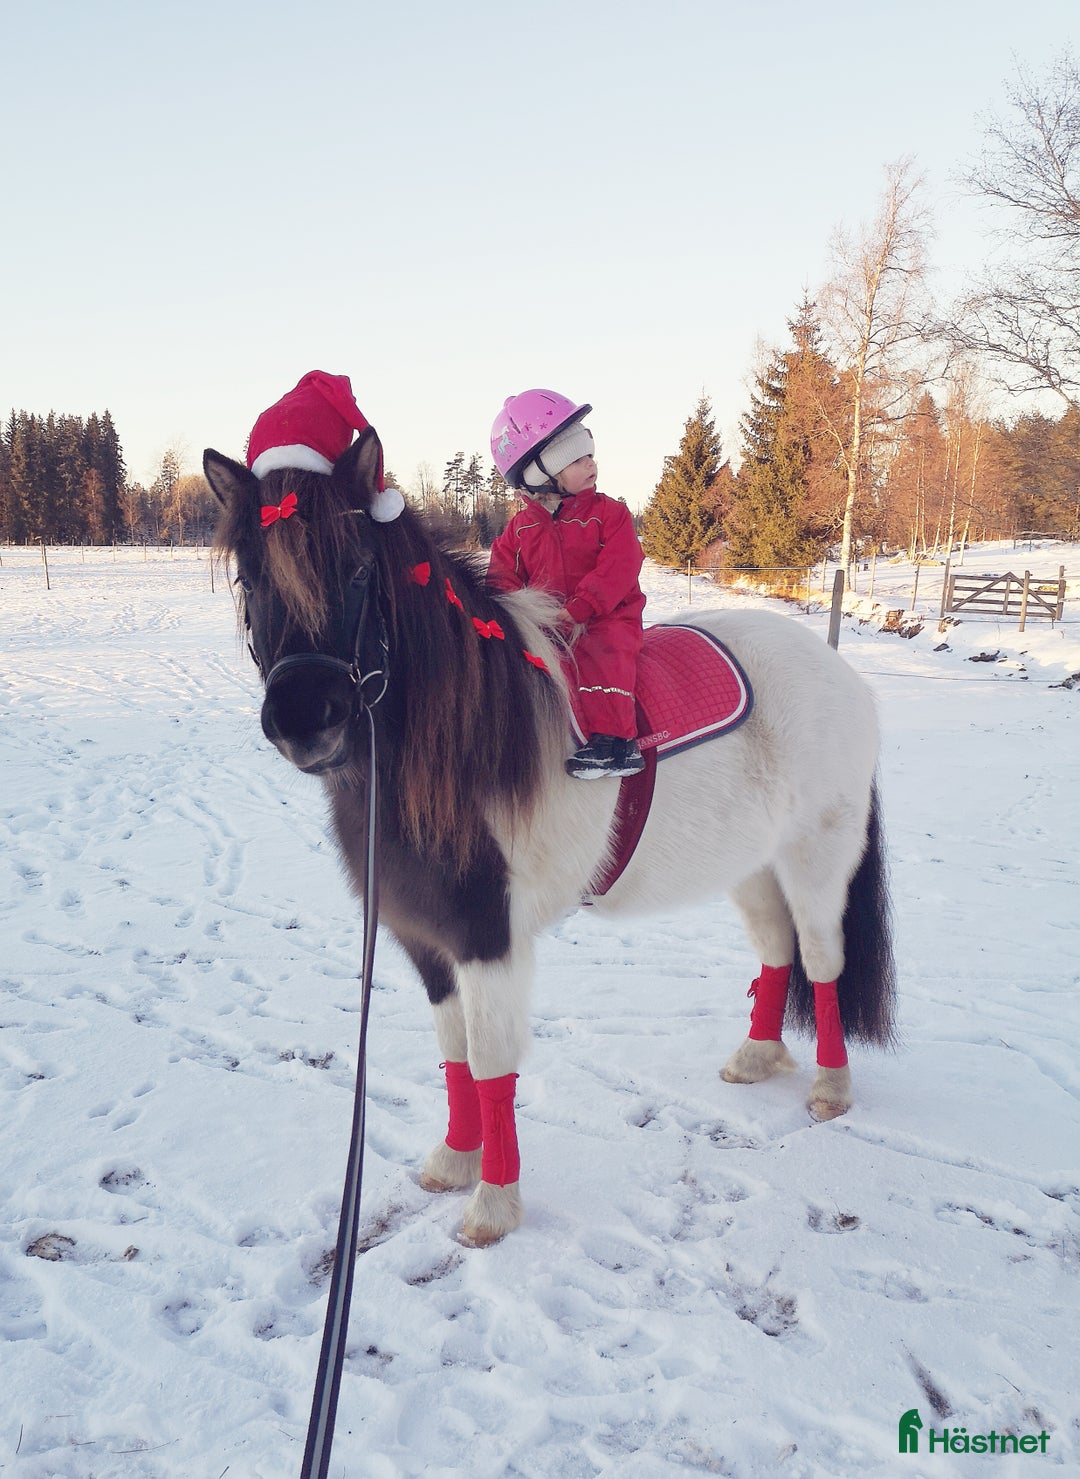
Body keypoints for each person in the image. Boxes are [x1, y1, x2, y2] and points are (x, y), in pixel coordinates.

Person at [488, 389, 646, 779]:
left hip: (606, 614)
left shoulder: (610, 514)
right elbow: (501, 577)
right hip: (548, 624)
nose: (591, 464)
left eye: (589, 453)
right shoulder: (519, 529)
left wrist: (581, 608)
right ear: (541, 475)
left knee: (604, 651)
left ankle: (616, 743)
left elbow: (620, 565)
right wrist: (515, 617)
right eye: (576, 459)